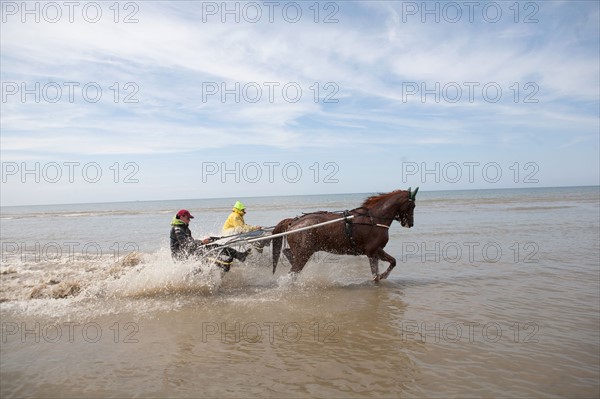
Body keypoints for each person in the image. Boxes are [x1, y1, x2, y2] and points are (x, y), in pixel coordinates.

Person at [170, 209, 250, 271]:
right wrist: (201, 242)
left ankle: (239, 256)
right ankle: (223, 264)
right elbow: (186, 245)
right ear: (181, 217)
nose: (189, 220)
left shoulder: (185, 229)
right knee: (207, 253)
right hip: (182, 257)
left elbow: (191, 242)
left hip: (189, 251)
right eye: (188, 218)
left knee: (216, 246)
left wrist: (207, 241)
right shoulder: (177, 229)